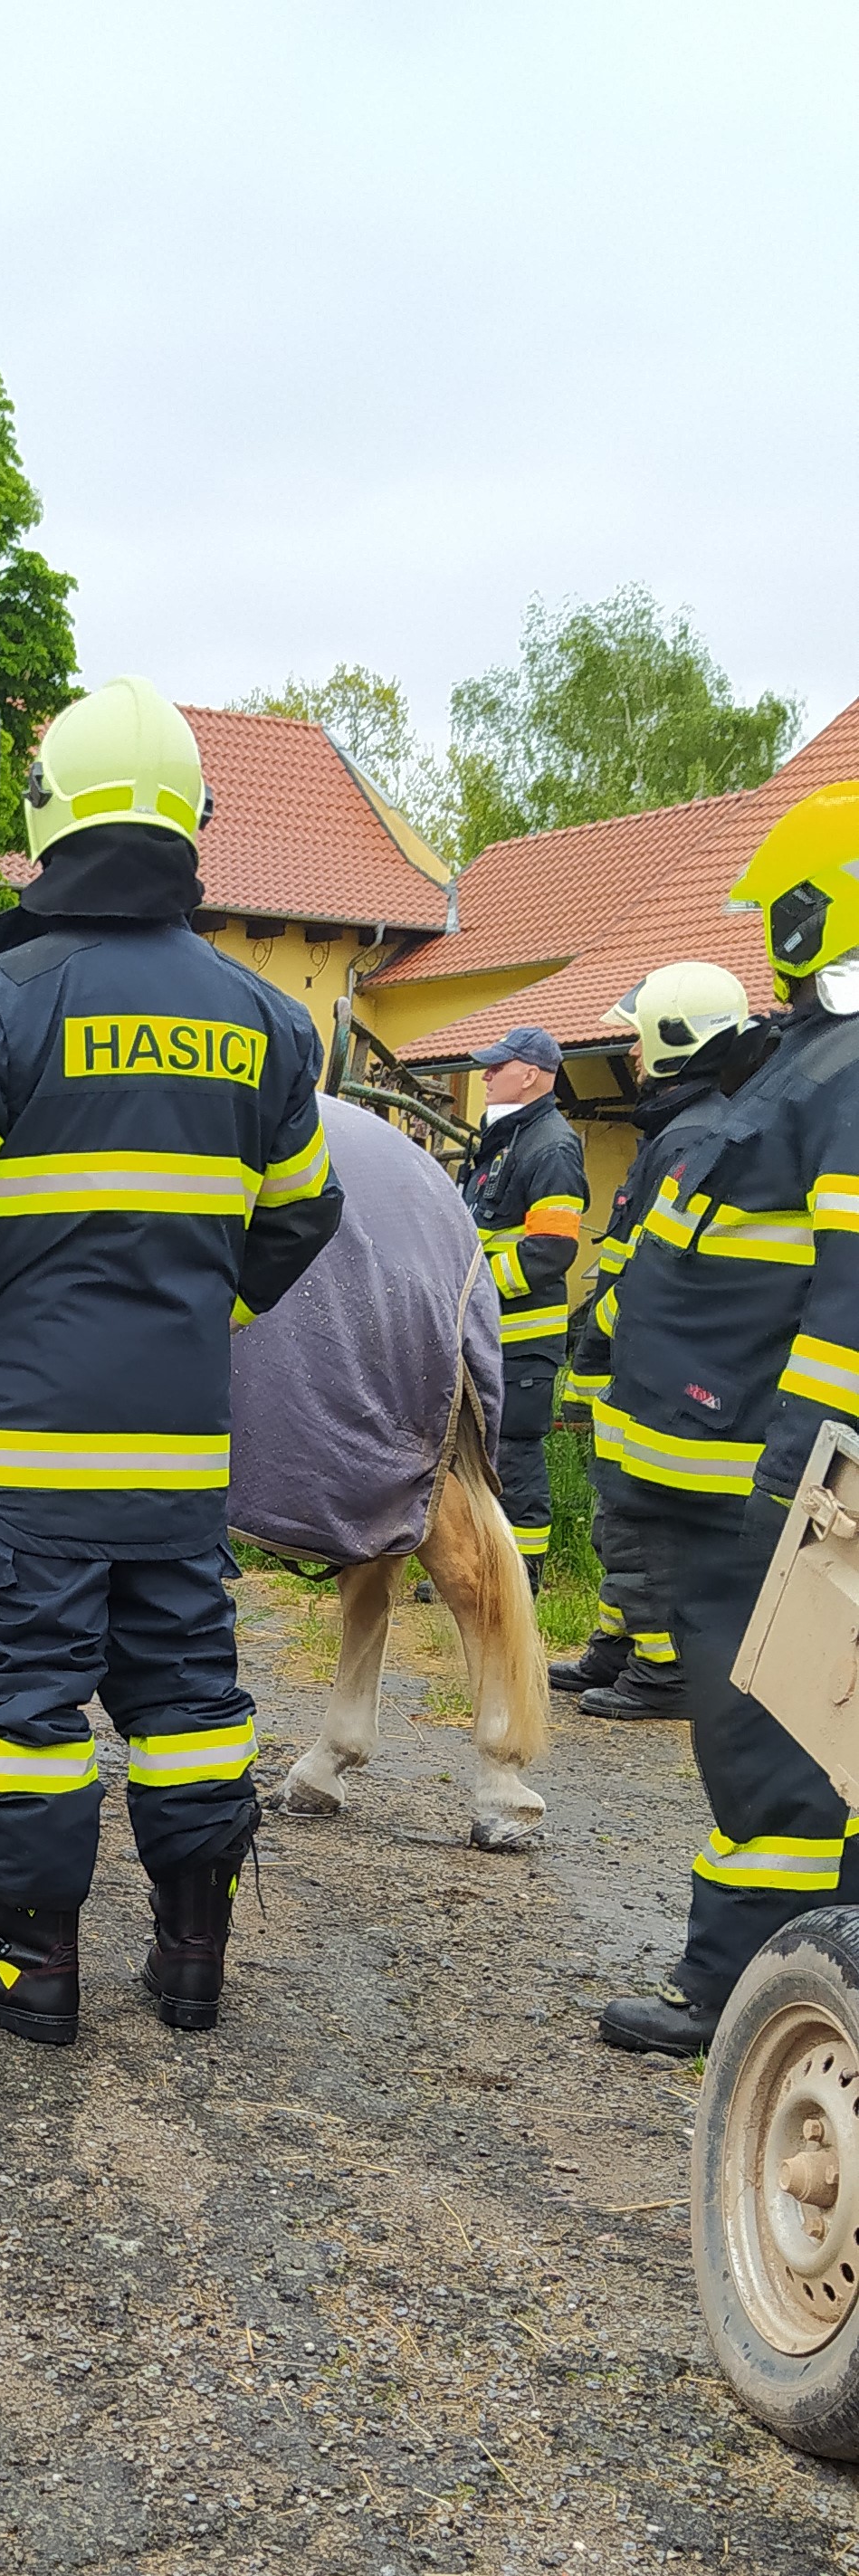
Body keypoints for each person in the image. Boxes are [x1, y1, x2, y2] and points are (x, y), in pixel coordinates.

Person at [0, 675, 343, 2048]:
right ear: (192, 824)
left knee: (29, 1700)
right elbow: (306, 1210)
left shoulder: (4, 1004)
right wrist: (207, 1312)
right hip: (180, 1450)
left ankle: (35, 1969)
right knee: (188, 1694)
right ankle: (192, 1964)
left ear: (50, 824)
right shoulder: (264, 1020)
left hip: (27, 1445)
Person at [598, 781, 859, 2056]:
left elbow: (850, 1307)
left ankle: (751, 1999)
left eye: (779, 917)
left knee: (781, 1760)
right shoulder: (810, 1061)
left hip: (777, 1494)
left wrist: (809, 1491)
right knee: (775, 1752)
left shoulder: (849, 1072)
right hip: (730, 1486)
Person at [555, 963, 752, 1719]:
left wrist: (600, 1336)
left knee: (644, 1517)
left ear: (675, 1039)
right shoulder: (678, 1127)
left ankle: (663, 1669)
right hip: (628, 1361)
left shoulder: (693, 1136)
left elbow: (652, 1275)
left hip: (648, 1367)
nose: (632, 1055)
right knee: (618, 1515)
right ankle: (619, 1643)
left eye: (639, 1039)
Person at [455, 1027, 588, 1582]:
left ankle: (519, 1580)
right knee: (475, 1457)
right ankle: (477, 1568)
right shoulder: (508, 1141)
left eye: (496, 1067)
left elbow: (551, 1250)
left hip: (521, 1343)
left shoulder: (551, 1145)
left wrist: (473, 1292)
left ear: (530, 1074)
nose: (484, 1077)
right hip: (489, 1338)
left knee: (513, 1460)